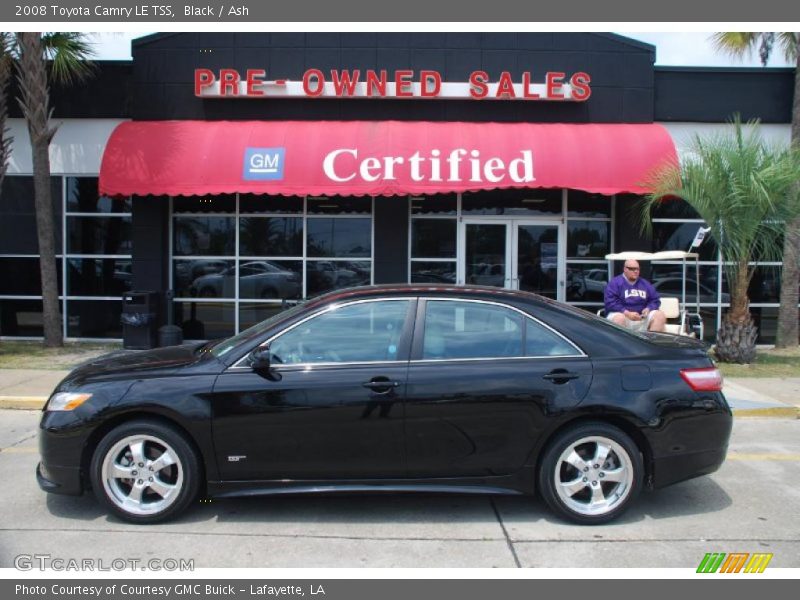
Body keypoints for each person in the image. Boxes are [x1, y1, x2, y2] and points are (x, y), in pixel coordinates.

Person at [604, 259, 666, 332]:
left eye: (637, 269)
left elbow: (655, 300)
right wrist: (627, 313)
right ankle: (621, 340)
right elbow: (610, 302)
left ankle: (650, 339)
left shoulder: (645, 284)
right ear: (625, 269)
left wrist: (648, 308)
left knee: (659, 315)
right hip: (622, 315)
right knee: (619, 318)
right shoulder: (615, 283)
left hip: (641, 318)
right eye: (632, 269)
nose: (636, 271)